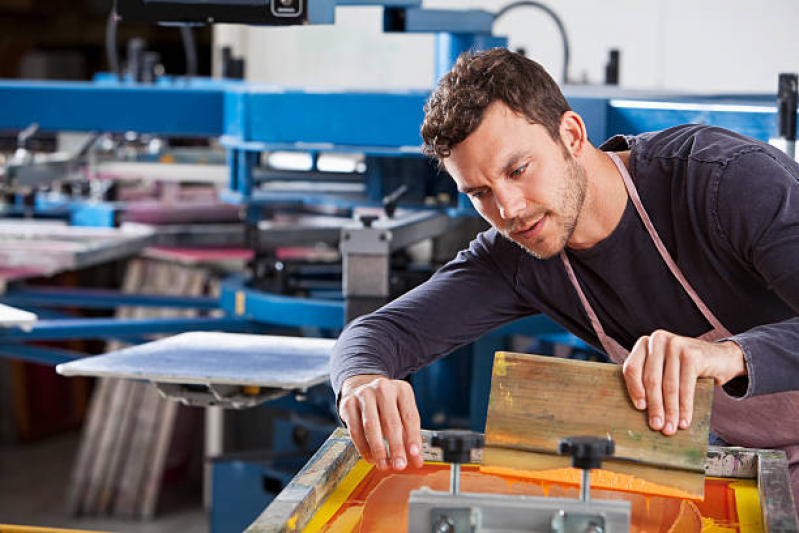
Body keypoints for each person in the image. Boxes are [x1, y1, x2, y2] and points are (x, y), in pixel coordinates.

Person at [330, 48, 799, 508]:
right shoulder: (519, 256)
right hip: (747, 461)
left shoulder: (723, 182)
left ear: (571, 135)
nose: (508, 210)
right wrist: (362, 383)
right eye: (480, 193)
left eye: (518, 170)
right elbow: (377, 332)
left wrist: (728, 355)